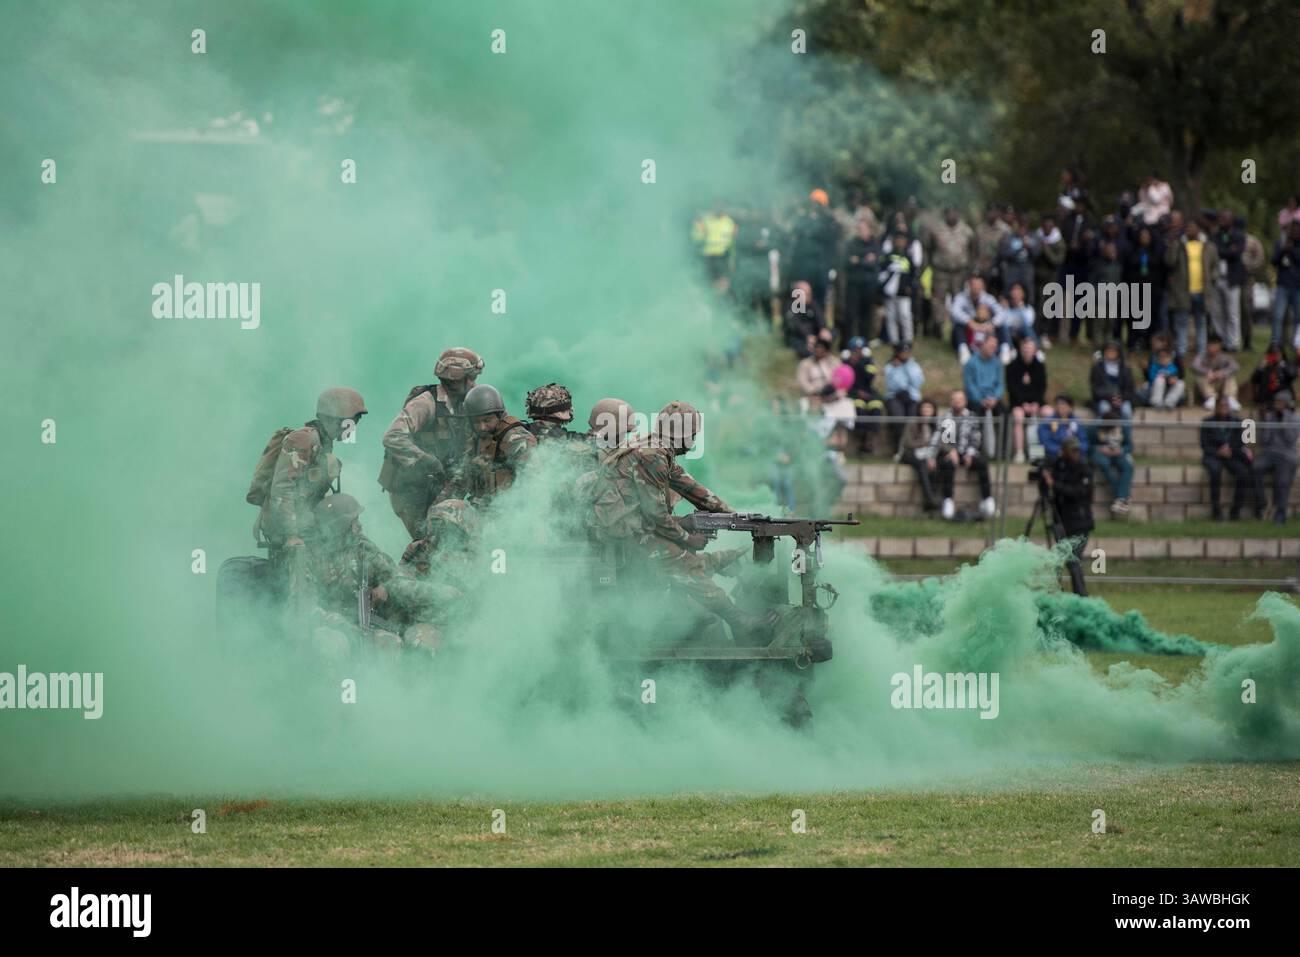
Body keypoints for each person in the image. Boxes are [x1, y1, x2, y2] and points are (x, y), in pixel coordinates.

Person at [587, 401, 773, 636]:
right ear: (682, 435)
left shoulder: (655, 447)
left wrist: (734, 515)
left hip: (625, 521)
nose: (695, 440)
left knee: (686, 557)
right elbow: (655, 515)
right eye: (693, 434)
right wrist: (687, 538)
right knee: (685, 565)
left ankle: (694, 611)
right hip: (621, 527)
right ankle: (739, 622)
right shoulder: (653, 455)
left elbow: (690, 488)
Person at [306, 494, 442, 656]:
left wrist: (438, 592)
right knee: (331, 645)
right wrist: (348, 628)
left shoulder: (362, 547)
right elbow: (306, 607)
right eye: (354, 521)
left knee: (394, 642)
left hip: (368, 624)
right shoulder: (309, 556)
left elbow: (394, 578)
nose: (359, 525)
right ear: (339, 527)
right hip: (336, 629)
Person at [379, 347, 483, 539]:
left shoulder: (461, 403)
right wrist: (426, 459)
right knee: (428, 546)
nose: (474, 383)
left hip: (436, 489)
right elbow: (392, 436)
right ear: (456, 380)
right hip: (412, 493)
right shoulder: (426, 402)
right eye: (471, 378)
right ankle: (408, 569)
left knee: (446, 543)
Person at [255, 387, 368, 549]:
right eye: (353, 422)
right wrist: (290, 535)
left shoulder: (322, 444)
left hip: (305, 521)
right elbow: (282, 489)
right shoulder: (304, 439)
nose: (354, 427)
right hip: (288, 527)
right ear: (338, 419)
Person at [444, 383, 536, 506]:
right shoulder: (477, 440)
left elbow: (535, 480)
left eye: (487, 420)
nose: (482, 427)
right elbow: (462, 478)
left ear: (499, 416)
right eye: (476, 422)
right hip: (484, 510)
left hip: (511, 511)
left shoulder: (516, 438)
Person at [1043, 435, 1094, 596]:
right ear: (1064, 451)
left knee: (1073, 560)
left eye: (1076, 450)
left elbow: (1078, 493)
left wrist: (1054, 484)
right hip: (1062, 521)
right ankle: (1055, 593)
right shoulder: (1061, 466)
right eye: (1071, 450)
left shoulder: (1083, 468)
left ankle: (1082, 596)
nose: (1075, 453)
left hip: (1080, 523)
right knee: (1057, 560)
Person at [933, 389, 995, 519]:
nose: (957, 402)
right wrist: (951, 451)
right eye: (955, 400)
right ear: (951, 402)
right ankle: (948, 500)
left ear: (965, 401)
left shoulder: (972, 417)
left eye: (960, 400)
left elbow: (976, 438)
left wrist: (970, 453)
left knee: (982, 463)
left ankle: (987, 499)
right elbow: (943, 440)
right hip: (951, 453)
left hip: (968, 452)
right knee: (947, 464)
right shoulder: (946, 418)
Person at [1166, 218, 1220, 358]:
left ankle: (1201, 352)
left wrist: (1213, 278)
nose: (1189, 230)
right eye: (1187, 228)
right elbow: (1170, 262)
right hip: (1183, 291)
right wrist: (1174, 244)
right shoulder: (1180, 245)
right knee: (1182, 322)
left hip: (1202, 290)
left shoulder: (1208, 246)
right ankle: (1181, 351)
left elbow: (1215, 266)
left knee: (1201, 322)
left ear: (1199, 230)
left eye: (1192, 228)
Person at [1200, 396, 1254, 521]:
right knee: (1215, 471)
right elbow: (1204, 445)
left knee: (1242, 473)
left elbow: (1241, 442)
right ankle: (1216, 510)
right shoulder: (1207, 422)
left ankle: (1235, 510)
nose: (1224, 408)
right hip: (1213, 455)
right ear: (1216, 407)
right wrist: (1218, 452)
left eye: (1226, 406)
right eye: (1221, 406)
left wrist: (1230, 450)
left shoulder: (1237, 422)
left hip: (1231, 455)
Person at [1252, 391, 1300, 524]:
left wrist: (1283, 420)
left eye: (1280, 402)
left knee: (1282, 481)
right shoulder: (1269, 417)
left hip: (1286, 455)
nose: (1277, 405)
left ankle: (1280, 512)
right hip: (1269, 453)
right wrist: (1266, 422)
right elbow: (1263, 440)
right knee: (1256, 468)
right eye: (1276, 402)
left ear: (1286, 404)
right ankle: (1262, 504)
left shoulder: (1294, 419)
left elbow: (1291, 439)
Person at [927, 206, 976, 335]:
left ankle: (957, 328)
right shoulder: (936, 230)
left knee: (958, 300)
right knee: (938, 300)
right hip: (940, 272)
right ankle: (938, 326)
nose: (952, 216)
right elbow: (929, 248)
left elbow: (972, 250)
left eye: (955, 213)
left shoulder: (967, 231)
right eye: (949, 213)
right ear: (945, 215)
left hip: (959, 273)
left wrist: (970, 269)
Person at [1006, 336, 1047, 463]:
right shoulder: (1012, 366)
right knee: (1019, 416)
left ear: (1034, 350)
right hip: (1018, 403)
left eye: (1029, 348)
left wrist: (1036, 403)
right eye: (1024, 348)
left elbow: (1042, 387)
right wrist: (1023, 403)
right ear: (1020, 349)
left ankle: (1042, 452)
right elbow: (1012, 388)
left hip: (1036, 403)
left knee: (1049, 413)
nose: (1027, 351)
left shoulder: (1039, 367)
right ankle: (1019, 453)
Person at [1087, 410, 1134, 516]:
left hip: (1117, 452)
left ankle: (1120, 499)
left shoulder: (1123, 428)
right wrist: (1100, 448)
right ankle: (1123, 497)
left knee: (1128, 466)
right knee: (1104, 464)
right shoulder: (1094, 428)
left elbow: (1130, 446)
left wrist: (1121, 450)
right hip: (1101, 452)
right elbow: (1088, 445)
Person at [1089, 340, 1136, 445]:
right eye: (1108, 351)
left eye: (1113, 351)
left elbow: (1130, 389)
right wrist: (1110, 397)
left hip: (1122, 399)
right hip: (1104, 399)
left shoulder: (1125, 369)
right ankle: (1105, 441)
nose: (1111, 353)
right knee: (1104, 409)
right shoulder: (1097, 368)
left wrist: (1121, 398)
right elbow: (1095, 389)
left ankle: (1125, 443)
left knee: (1127, 412)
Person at [898, 397, 940, 513]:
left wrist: (931, 456)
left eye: (929, 408)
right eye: (924, 407)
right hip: (910, 454)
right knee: (922, 465)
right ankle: (930, 500)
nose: (927, 410)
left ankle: (931, 502)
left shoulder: (936, 426)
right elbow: (908, 443)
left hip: (928, 456)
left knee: (937, 467)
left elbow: (940, 443)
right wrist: (925, 442)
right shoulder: (912, 423)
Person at [842, 218, 880, 344]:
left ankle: (864, 342)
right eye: (859, 229)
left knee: (866, 315)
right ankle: (848, 342)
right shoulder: (851, 243)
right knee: (850, 314)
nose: (861, 232)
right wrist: (865, 259)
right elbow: (847, 261)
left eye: (864, 229)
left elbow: (875, 263)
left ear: (869, 230)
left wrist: (859, 260)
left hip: (868, 285)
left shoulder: (874, 244)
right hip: (853, 284)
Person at [1212, 209, 1246, 351]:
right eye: (1221, 219)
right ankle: (1221, 340)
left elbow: (1236, 253)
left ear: (1231, 220)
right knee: (1218, 313)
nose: (1222, 221)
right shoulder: (1216, 235)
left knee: (1232, 313)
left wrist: (1224, 251)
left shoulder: (1239, 235)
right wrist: (1227, 250)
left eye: (1225, 219)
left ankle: (1233, 343)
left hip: (1231, 278)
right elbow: (1215, 251)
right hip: (1217, 278)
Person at [878, 228, 918, 345]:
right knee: (891, 317)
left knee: (905, 316)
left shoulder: (908, 257)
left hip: (904, 293)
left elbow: (914, 274)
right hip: (890, 293)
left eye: (902, 240)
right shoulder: (888, 256)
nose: (900, 242)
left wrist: (910, 286)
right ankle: (894, 340)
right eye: (898, 240)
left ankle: (908, 340)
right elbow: (881, 273)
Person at [883, 341, 924, 452]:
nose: (905, 354)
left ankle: (910, 447)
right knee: (898, 419)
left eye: (907, 352)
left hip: (912, 397)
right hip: (894, 396)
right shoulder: (890, 366)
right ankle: (898, 448)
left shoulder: (914, 366)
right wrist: (897, 369)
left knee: (912, 420)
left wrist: (905, 367)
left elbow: (917, 383)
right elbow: (892, 385)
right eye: (902, 352)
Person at [948, 275, 999, 362]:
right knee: (958, 325)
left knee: (1002, 326)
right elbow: (954, 311)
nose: (976, 288)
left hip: (985, 329)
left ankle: (1004, 348)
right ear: (969, 285)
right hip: (967, 332)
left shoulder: (988, 298)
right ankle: (963, 349)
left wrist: (991, 324)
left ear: (983, 286)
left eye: (979, 285)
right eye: (974, 285)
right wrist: (969, 322)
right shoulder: (961, 297)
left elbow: (1000, 312)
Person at [962, 333, 1006, 424]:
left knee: (1005, 415)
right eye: (991, 346)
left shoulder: (997, 363)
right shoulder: (971, 363)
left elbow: (1000, 383)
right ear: (983, 344)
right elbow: (969, 385)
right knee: (976, 413)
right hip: (976, 400)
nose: (993, 348)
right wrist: (981, 400)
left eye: (995, 346)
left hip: (993, 399)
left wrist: (995, 398)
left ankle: (1003, 438)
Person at [1191, 336, 1240, 410]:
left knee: (1230, 376)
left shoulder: (1225, 356)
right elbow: (1194, 366)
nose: (1213, 348)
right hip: (1208, 381)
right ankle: (1211, 398)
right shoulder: (1201, 356)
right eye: (1211, 346)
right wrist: (1207, 372)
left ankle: (1230, 398)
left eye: (1215, 346)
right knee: (1199, 376)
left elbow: (1235, 367)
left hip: (1221, 381)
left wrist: (1222, 373)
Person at [1271, 220, 1300, 346]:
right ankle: (1275, 344)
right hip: (1282, 284)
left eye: (1296, 230)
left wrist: (1292, 250)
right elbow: (1273, 261)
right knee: (1278, 316)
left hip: (1298, 286)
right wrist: (1283, 250)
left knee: (1298, 318)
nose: (1293, 232)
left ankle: (1296, 343)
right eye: (1291, 229)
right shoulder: (1281, 243)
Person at [796, 331, 842, 408]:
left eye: (822, 347)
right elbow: (802, 381)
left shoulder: (835, 362)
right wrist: (814, 392)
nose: (819, 350)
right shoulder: (805, 364)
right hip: (813, 397)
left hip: (833, 398)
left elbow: (842, 380)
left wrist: (836, 394)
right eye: (817, 347)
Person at [1037, 394, 1088, 460]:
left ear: (1071, 407)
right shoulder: (1048, 422)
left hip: (1075, 456)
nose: (1061, 407)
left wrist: (1079, 451)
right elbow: (1045, 441)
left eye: (1064, 405)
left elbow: (1083, 440)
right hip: (1055, 455)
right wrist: (1058, 451)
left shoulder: (1077, 421)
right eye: (1059, 405)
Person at [783, 279, 824, 356]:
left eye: (810, 293)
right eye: (807, 294)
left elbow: (820, 317)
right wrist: (807, 336)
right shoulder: (790, 306)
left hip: (813, 336)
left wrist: (823, 329)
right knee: (806, 349)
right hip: (798, 337)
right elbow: (795, 325)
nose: (809, 296)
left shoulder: (812, 304)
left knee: (832, 333)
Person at [1139, 342, 1186, 409]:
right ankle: (1157, 403)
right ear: (1158, 358)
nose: (1163, 359)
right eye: (1161, 357)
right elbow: (1152, 379)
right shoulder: (1154, 367)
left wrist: (1173, 380)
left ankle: (1169, 403)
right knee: (1160, 379)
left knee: (1181, 383)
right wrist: (1165, 378)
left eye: (1165, 357)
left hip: (1168, 390)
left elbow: (1175, 377)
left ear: (1169, 358)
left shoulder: (1173, 367)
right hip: (1155, 389)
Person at [1250, 342, 1296, 407]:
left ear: (1282, 353)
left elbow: (1292, 375)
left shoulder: (1285, 365)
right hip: (1268, 397)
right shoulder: (1265, 367)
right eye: (1273, 353)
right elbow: (1254, 379)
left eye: (1277, 353)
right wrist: (1260, 368)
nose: (1275, 355)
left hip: (1283, 396)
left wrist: (1281, 363)